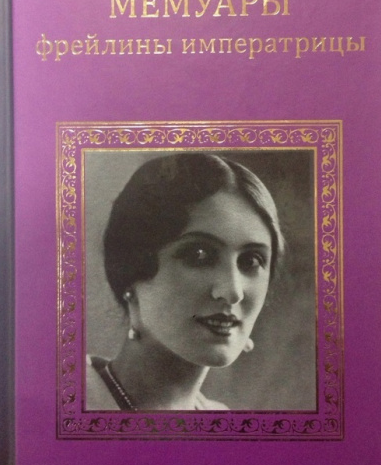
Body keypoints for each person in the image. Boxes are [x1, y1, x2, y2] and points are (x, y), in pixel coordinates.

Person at [86, 152, 284, 410]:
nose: (233, 292)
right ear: (131, 270)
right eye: (199, 256)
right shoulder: (64, 400)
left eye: (251, 261)